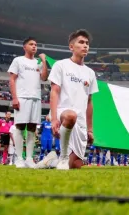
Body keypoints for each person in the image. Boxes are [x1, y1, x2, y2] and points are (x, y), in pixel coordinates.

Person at [39, 29, 99, 170]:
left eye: (87, 43)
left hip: (81, 122)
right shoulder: (61, 65)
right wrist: (54, 118)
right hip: (63, 112)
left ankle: (52, 161)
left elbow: (89, 102)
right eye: (81, 42)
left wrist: (90, 130)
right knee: (71, 115)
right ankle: (64, 157)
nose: (85, 46)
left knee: (76, 166)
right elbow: (54, 92)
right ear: (71, 47)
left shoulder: (90, 73)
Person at [8, 37, 48, 168]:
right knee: (20, 126)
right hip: (22, 98)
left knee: (32, 128)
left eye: (36, 44)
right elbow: (12, 79)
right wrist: (15, 98)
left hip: (36, 98)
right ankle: (19, 158)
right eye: (31, 44)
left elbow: (44, 77)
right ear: (24, 47)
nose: (34, 46)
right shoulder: (18, 60)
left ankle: (29, 159)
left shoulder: (38, 62)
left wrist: (43, 61)